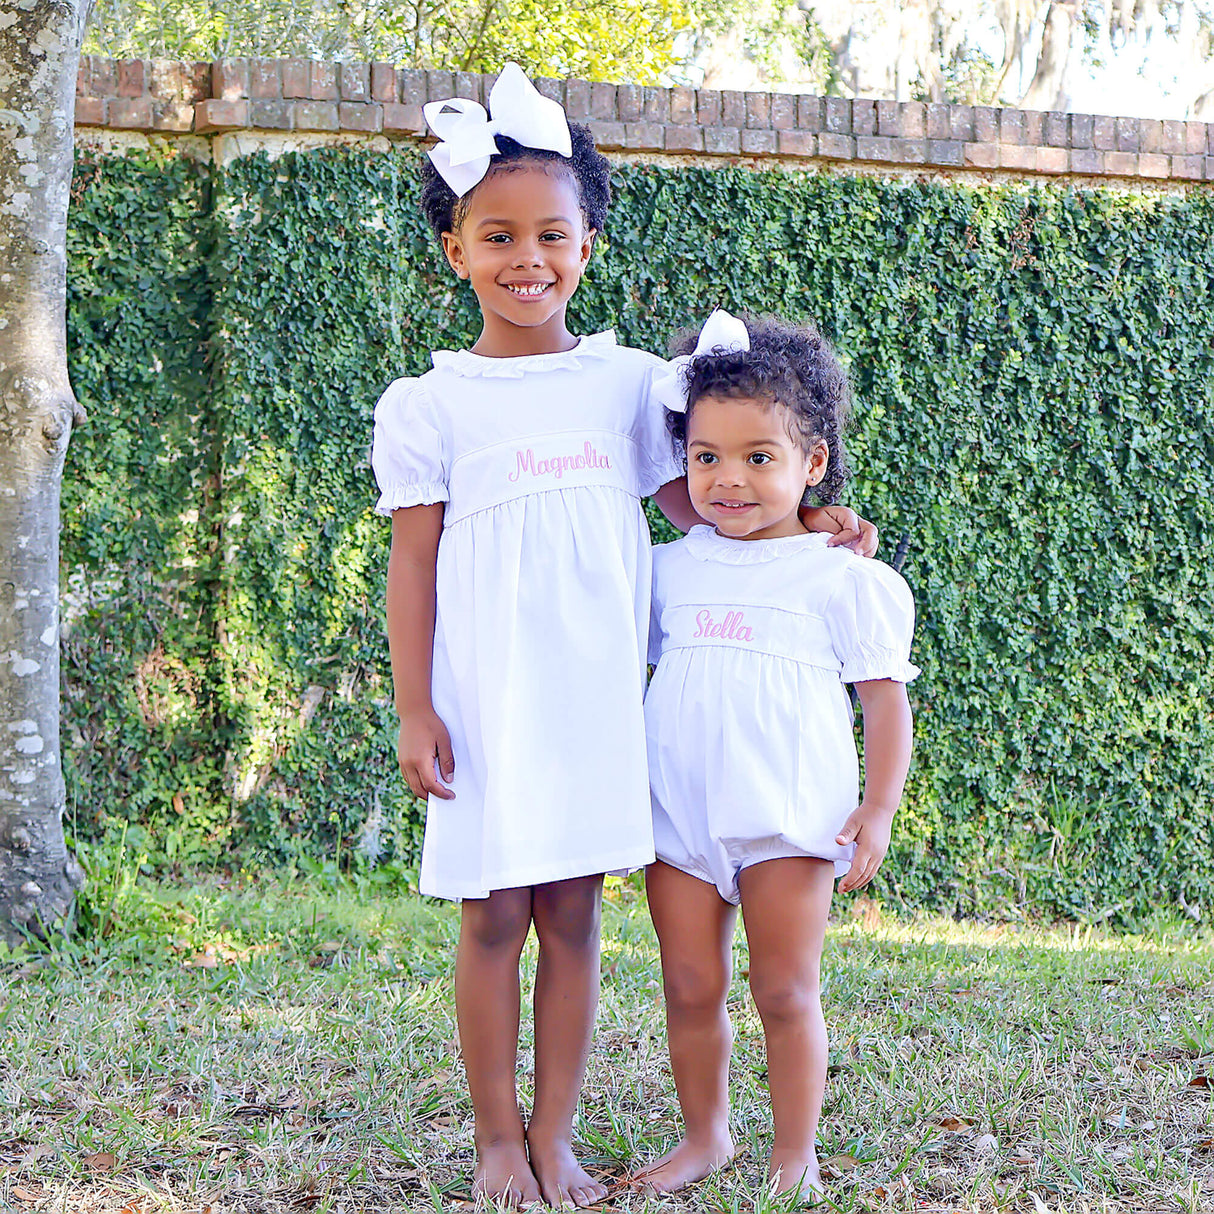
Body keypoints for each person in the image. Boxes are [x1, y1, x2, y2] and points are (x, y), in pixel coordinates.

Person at [372, 67, 875, 1208]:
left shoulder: (625, 387)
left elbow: (711, 515)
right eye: (494, 235)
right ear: (454, 250)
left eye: (551, 233)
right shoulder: (429, 405)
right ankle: (497, 1141)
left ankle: (555, 1135)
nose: (525, 258)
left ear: (588, 244)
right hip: (489, 697)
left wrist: (816, 525)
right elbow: (414, 563)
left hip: (594, 701)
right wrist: (415, 704)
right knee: (495, 912)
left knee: (571, 913)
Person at [634, 311, 917, 1203]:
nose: (730, 479)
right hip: (679, 814)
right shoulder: (665, 569)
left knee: (784, 991)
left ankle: (795, 1154)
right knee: (688, 984)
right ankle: (705, 1137)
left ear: (814, 464)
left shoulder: (844, 577)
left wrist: (876, 808)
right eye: (707, 456)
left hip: (789, 815)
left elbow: (884, 700)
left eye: (761, 457)